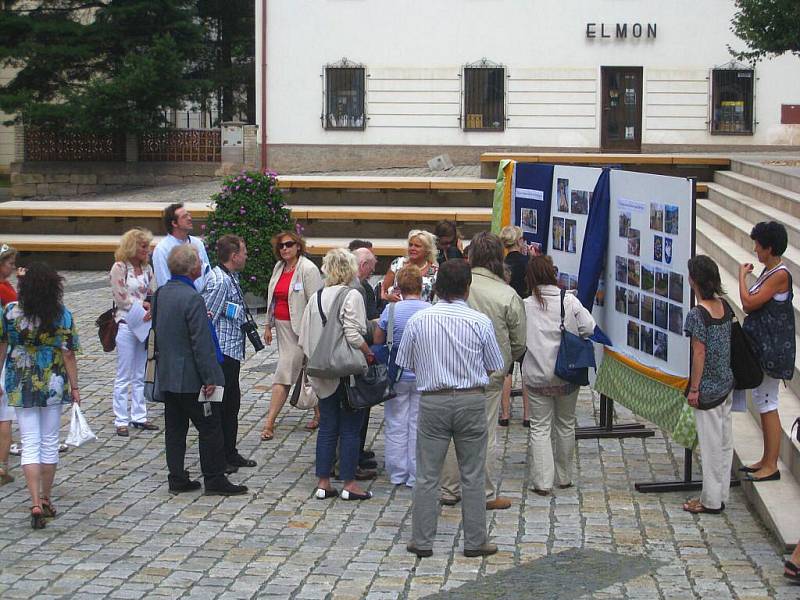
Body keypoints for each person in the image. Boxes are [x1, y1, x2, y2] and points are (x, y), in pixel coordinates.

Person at [397, 259, 505, 559]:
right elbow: (496, 365)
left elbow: (405, 362)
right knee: (472, 472)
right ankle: (475, 540)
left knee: (427, 474)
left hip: (433, 399)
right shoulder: (480, 321)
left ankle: (422, 540)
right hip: (471, 399)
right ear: (467, 288)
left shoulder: (420, 320)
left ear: (438, 287)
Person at [439, 233, 526, 511]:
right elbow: (519, 342)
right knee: (485, 434)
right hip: (489, 375)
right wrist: (505, 360)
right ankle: (484, 493)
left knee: (451, 432)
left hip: (450, 368)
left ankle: (449, 489)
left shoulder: (457, 284)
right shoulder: (507, 294)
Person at [155, 245, 247, 496]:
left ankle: (176, 476)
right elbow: (201, 342)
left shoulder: (161, 293)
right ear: (192, 268)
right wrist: (211, 378)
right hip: (192, 378)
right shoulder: (192, 298)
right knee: (210, 427)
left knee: (175, 429)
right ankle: (215, 478)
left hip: (168, 375)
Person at [0, 263, 80, 528]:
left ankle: (34, 501)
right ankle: (46, 498)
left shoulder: (10, 313)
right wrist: (75, 387)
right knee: (48, 441)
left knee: (30, 441)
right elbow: (69, 352)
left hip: (20, 380)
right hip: (52, 382)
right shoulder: (61, 315)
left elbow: (2, 345)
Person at [298, 248, 374, 501]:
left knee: (328, 426)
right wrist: (368, 353)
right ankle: (349, 482)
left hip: (322, 370)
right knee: (351, 427)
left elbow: (304, 337)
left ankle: (323, 482)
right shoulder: (352, 295)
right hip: (345, 370)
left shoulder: (317, 296)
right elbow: (353, 334)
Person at [522, 255, 595, 496]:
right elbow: (589, 327)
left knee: (540, 427)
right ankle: (564, 477)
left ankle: (543, 481)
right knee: (565, 424)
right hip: (566, 372)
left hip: (536, 375)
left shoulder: (525, 304)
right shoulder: (569, 301)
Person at [738, 221, 793, 483]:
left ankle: (771, 463)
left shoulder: (780, 274)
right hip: (764, 347)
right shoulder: (769, 271)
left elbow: (748, 303)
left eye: (759, 246)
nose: (755, 250)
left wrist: (741, 277)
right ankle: (766, 458)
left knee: (768, 402)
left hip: (773, 350)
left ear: (769, 248)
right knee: (762, 399)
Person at [682, 255, 735, 514]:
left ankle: (711, 500)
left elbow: (698, 353)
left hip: (709, 388)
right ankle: (720, 493)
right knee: (724, 442)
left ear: (694, 280)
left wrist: (694, 388)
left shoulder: (697, 314)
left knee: (712, 445)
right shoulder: (724, 306)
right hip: (725, 383)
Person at [202, 234, 257, 474]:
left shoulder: (231, 277)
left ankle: (230, 452)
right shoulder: (219, 281)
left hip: (232, 351)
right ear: (234, 256)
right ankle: (220, 457)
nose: (246, 255)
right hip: (221, 354)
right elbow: (206, 319)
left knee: (232, 404)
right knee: (222, 407)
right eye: (243, 251)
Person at [261, 231, 323, 440]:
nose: (285, 249)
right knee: (307, 369)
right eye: (281, 246)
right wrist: (268, 325)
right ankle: (320, 413)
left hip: (302, 330)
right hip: (282, 328)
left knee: (284, 372)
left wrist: (313, 333)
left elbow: (315, 303)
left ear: (298, 246)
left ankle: (269, 423)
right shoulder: (279, 267)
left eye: (289, 244)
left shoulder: (308, 269)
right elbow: (273, 298)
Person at [373, 265, 428, 487]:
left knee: (396, 423)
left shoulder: (391, 310)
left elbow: (378, 339)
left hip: (396, 373)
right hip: (422, 373)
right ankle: (416, 473)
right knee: (418, 424)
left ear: (399, 286)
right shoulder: (429, 309)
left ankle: (397, 472)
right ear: (421, 286)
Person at [109, 228, 158, 437]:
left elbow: (154, 291)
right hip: (126, 323)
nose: (147, 250)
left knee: (140, 372)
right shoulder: (119, 268)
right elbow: (121, 297)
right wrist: (142, 305)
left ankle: (139, 415)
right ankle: (121, 418)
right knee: (124, 373)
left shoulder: (147, 269)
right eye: (143, 246)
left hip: (143, 324)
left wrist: (151, 306)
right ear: (133, 247)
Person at [499, 225, 530, 428]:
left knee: (507, 369)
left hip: (505, 312)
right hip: (525, 313)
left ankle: (505, 414)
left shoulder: (501, 265)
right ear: (519, 241)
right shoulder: (528, 263)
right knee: (527, 366)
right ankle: (528, 415)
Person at [352, 247, 380, 477]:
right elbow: (360, 329)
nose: (373, 272)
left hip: (353, 356)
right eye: (371, 267)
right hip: (357, 356)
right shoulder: (358, 290)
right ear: (363, 266)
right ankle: (352, 458)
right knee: (357, 408)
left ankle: (357, 452)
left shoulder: (360, 287)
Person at [152, 202, 211, 290]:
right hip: (179, 300)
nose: (189, 218)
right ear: (174, 223)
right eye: (184, 217)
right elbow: (164, 283)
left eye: (188, 215)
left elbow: (208, 273)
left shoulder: (198, 243)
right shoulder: (162, 249)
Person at [0, 244, 20, 485]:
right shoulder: (4, 292)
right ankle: (2, 467)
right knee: (4, 416)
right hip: (4, 358)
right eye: (9, 263)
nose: (13, 267)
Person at [382, 230, 438, 303]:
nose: (412, 248)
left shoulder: (435, 271)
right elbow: (383, 291)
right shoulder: (397, 264)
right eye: (410, 245)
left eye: (417, 246)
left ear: (427, 250)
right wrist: (388, 297)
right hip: (398, 310)